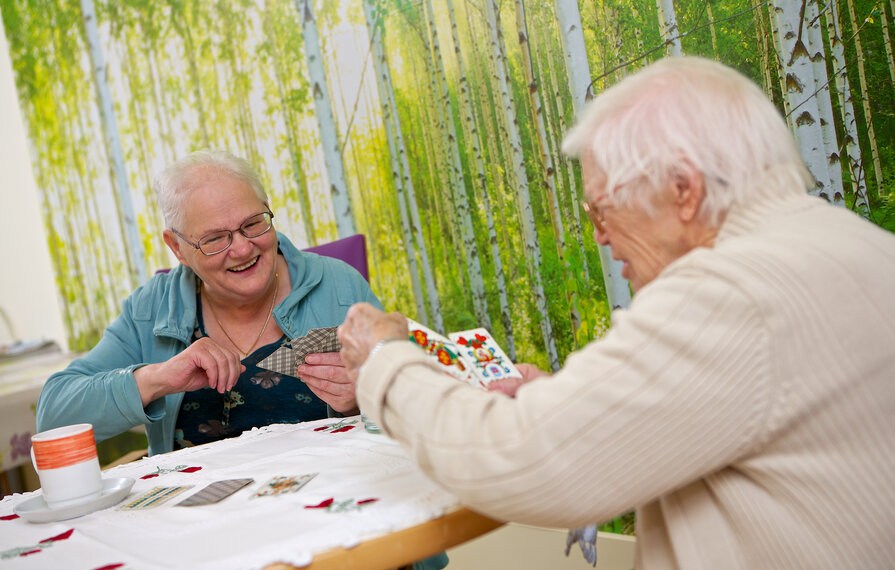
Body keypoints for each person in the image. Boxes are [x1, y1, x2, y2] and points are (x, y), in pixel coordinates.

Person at [338, 57, 895, 568]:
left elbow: (524, 462)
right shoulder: (851, 242)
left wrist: (387, 359)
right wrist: (574, 403)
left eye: (601, 208)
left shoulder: (728, 291)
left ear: (683, 189)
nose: (600, 236)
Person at [36, 150, 380, 456]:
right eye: (215, 239)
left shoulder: (338, 285)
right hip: (199, 516)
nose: (243, 249)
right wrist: (158, 378)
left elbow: (414, 392)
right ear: (177, 248)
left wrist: (360, 398)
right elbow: (53, 416)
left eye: (253, 224)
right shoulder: (151, 309)